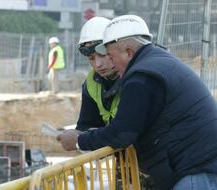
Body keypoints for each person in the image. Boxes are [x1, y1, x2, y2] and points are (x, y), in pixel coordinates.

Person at [57, 15, 217, 190]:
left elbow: (123, 132)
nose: (103, 63)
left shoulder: (141, 77)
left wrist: (80, 141)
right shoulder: (156, 62)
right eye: (92, 59)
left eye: (109, 55)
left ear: (128, 52)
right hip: (194, 164)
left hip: (195, 168)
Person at [75, 16, 120, 131]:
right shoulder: (91, 82)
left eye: (102, 55)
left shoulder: (134, 78)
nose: (98, 64)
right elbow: (85, 125)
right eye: (91, 58)